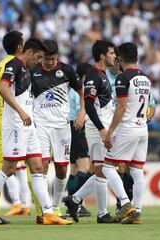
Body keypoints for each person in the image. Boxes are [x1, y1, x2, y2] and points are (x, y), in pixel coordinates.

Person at [0, 38, 72, 226]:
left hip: (29, 126)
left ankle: (47, 213)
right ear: (28, 52)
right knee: (9, 168)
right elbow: (2, 87)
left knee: (37, 167)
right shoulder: (15, 65)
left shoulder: (26, 68)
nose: (39, 61)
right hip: (15, 125)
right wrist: (20, 112)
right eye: (38, 57)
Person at [63, 40, 116, 224]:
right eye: (111, 53)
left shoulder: (103, 75)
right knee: (103, 170)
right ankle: (102, 213)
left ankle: (74, 199)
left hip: (101, 127)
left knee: (101, 170)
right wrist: (102, 129)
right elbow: (91, 107)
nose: (114, 56)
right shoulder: (94, 76)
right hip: (96, 129)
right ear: (102, 55)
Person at [31, 39, 85, 217]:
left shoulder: (67, 70)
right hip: (41, 125)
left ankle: (55, 206)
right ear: (42, 57)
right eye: (47, 59)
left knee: (62, 168)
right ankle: (44, 210)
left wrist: (81, 112)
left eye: (54, 59)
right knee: (42, 167)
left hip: (62, 126)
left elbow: (80, 90)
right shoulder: (33, 71)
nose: (51, 62)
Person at [103, 42, 151, 224]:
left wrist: (110, 132)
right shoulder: (146, 78)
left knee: (107, 166)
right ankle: (137, 211)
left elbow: (121, 107)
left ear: (120, 59)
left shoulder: (123, 78)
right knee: (137, 171)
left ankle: (125, 203)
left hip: (127, 128)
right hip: (142, 128)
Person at [0, 30, 24, 224]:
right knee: (4, 167)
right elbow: (6, 91)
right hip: (9, 120)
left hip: (0, 118)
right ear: (20, 46)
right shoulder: (13, 65)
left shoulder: (0, 64)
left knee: (3, 166)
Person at [66, 62, 93, 217]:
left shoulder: (71, 90)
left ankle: (73, 204)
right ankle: (76, 203)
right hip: (77, 127)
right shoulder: (79, 91)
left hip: (69, 127)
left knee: (74, 168)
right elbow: (80, 111)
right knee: (84, 166)